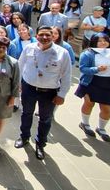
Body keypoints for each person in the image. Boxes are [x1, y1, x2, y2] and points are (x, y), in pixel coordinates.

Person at [14, 26, 72, 160]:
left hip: (49, 91)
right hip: (29, 88)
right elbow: (20, 66)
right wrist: (17, 85)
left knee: (45, 119)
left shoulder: (62, 53)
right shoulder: (29, 48)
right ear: (37, 35)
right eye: (41, 34)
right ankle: (24, 137)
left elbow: (67, 75)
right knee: (26, 113)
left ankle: (40, 143)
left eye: (48, 35)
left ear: (53, 36)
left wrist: (62, 94)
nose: (44, 37)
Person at [76, 33, 110, 142]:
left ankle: (101, 128)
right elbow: (83, 68)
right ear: (94, 42)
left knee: (106, 108)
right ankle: (85, 123)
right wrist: (96, 69)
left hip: (107, 83)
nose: (103, 43)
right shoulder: (88, 54)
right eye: (100, 41)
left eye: (105, 40)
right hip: (91, 82)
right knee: (89, 103)